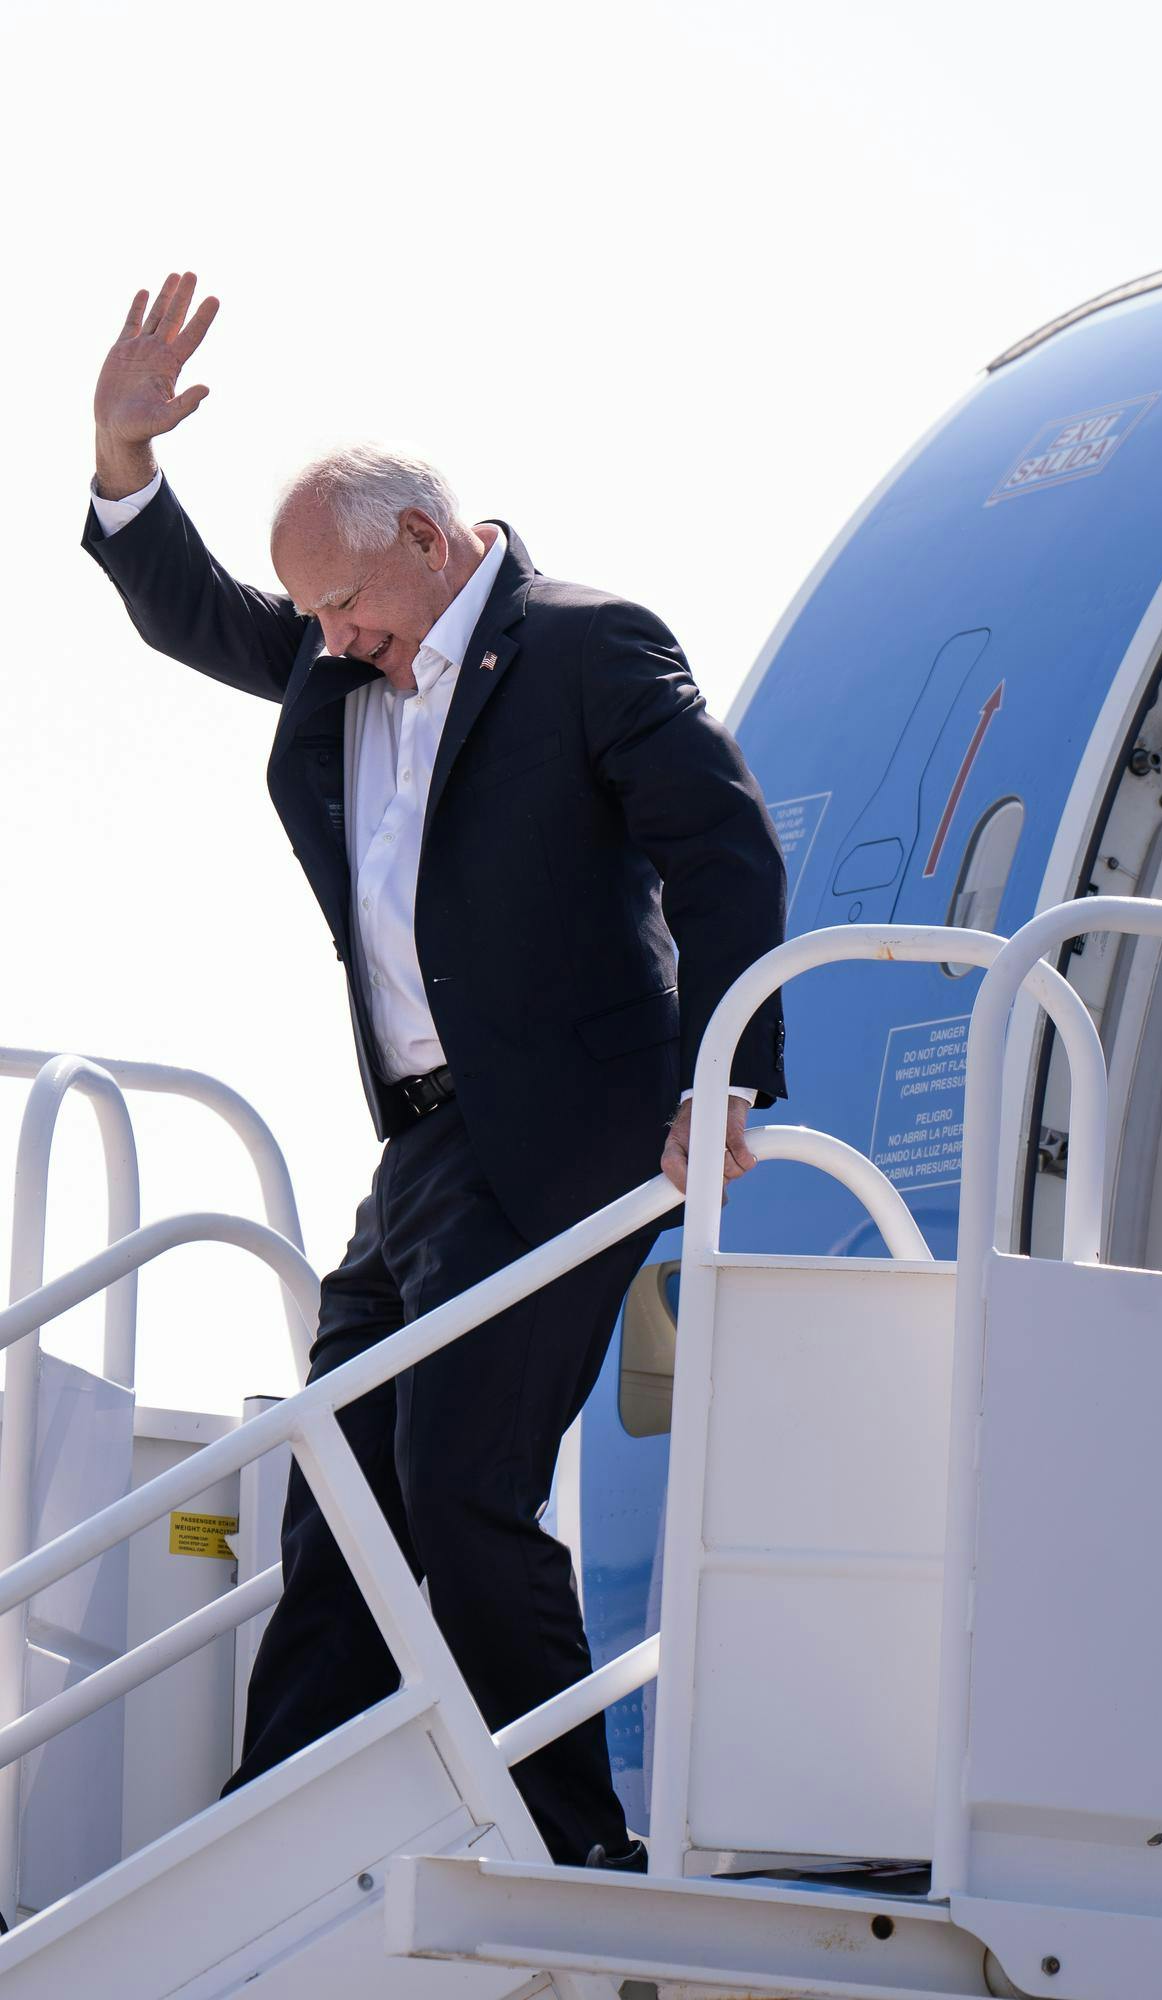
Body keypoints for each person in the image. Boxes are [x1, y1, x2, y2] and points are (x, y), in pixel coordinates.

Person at [82, 274, 787, 1870]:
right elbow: (203, 616)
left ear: (426, 539)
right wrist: (125, 466)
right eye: (315, 620)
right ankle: (269, 1829)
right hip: (413, 1157)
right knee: (334, 1483)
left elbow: (723, 851)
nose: (325, 642)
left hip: (561, 1143)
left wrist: (726, 1072)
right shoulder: (349, 661)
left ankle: (570, 1837)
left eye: (342, 607)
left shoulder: (588, 650)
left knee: (457, 1480)